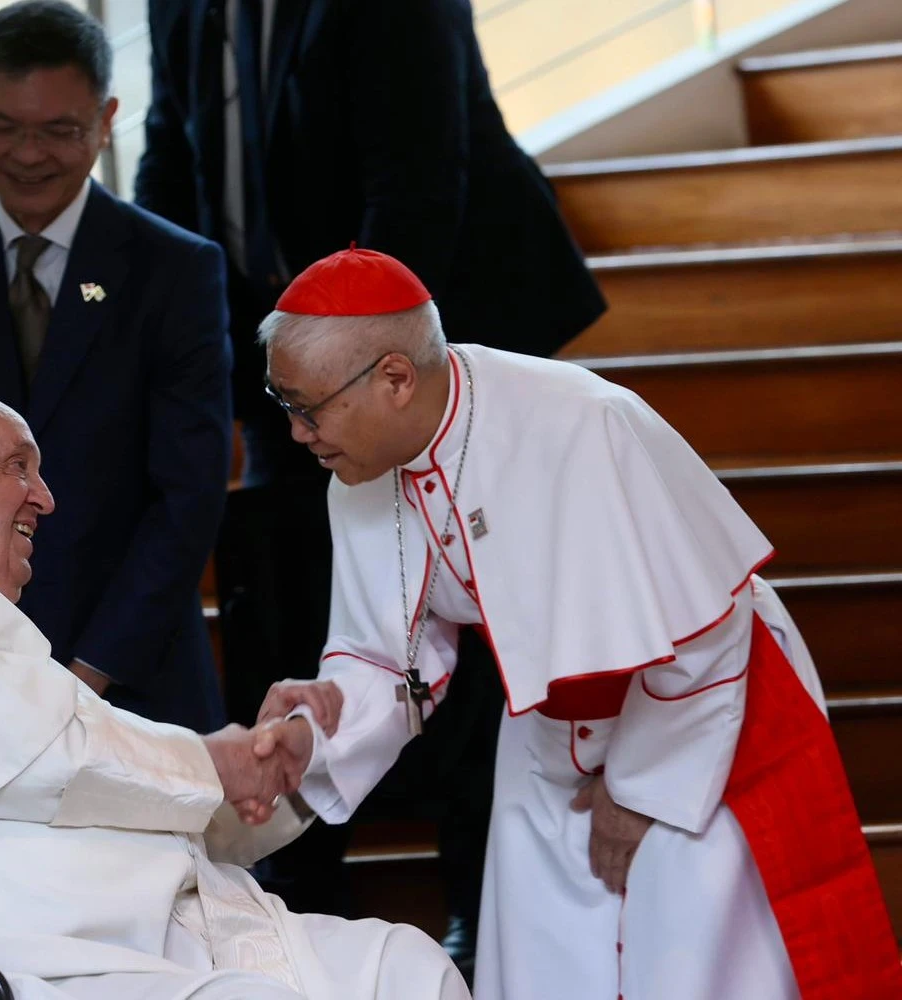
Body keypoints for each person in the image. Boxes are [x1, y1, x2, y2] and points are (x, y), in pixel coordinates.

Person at [254, 247, 902, 1000]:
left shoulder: (584, 423)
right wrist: (315, 734)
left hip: (700, 717)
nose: (298, 434)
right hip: (549, 722)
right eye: (284, 405)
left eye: (308, 407)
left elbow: (705, 632)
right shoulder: (361, 466)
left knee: (700, 963)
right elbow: (389, 660)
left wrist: (638, 793)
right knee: (550, 960)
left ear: (396, 378)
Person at [134, 0, 607, 943]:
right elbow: (172, 160)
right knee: (318, 610)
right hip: (290, 354)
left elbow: (420, 183)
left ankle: (484, 901)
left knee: (474, 631)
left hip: (423, 343)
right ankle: (301, 909)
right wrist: (217, 362)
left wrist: (359, 375)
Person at [0, 385, 469, 1000]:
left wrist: (277, 767)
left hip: (101, 936)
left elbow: (115, 785)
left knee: (404, 968)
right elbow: (58, 762)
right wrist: (218, 763)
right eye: (16, 467)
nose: (45, 497)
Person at [0, 1, 233, 731]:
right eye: (3, 126)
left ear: (106, 119)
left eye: (59, 130)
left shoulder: (176, 270)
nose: (28, 154)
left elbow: (187, 494)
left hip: (136, 675)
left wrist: (88, 672)